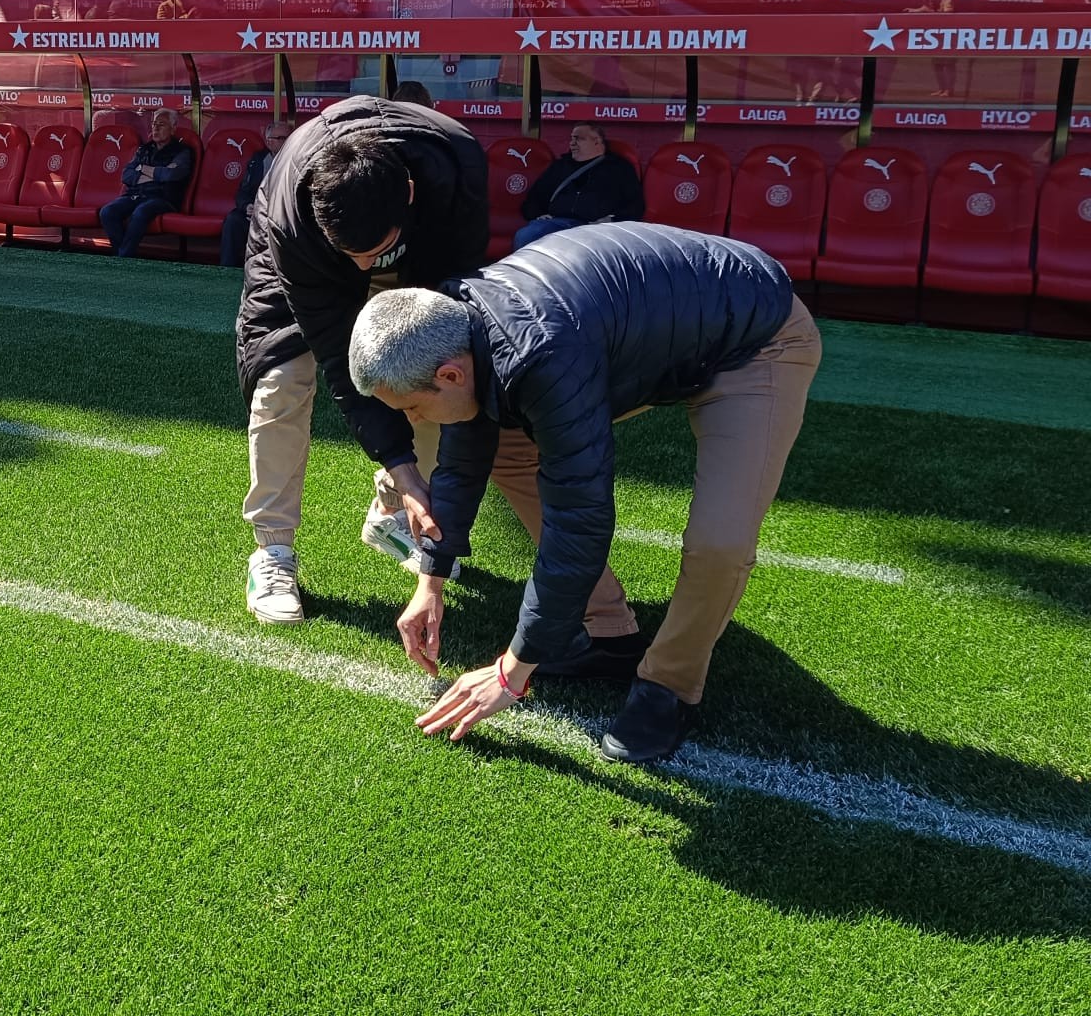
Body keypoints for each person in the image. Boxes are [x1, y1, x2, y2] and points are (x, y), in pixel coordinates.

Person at [348, 223, 821, 763]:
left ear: (452, 374)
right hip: (653, 336)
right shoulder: (462, 326)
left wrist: (513, 673)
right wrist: (430, 578)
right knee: (506, 449)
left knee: (721, 538)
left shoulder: (543, 355)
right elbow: (464, 452)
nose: (413, 422)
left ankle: (669, 684)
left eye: (411, 408)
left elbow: (581, 521)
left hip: (757, 339)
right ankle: (611, 635)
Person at [232, 95, 640, 662]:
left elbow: (452, 333)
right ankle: (273, 551)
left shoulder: (458, 168)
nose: (361, 273)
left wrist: (403, 471)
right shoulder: (293, 216)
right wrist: (396, 459)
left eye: (371, 254)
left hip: (423, 247)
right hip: (294, 258)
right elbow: (336, 357)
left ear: (409, 198)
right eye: (349, 256)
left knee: (428, 374)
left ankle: (394, 507)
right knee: (283, 379)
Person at [514, 122, 644, 249]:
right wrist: (538, 215)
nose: (572, 143)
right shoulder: (560, 167)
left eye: (578, 139)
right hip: (557, 223)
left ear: (597, 141)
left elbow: (635, 205)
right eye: (571, 139)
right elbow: (533, 199)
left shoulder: (619, 168)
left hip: (596, 227)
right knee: (527, 235)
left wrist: (612, 220)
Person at [97, 108, 194, 257]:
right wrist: (156, 173)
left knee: (141, 212)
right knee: (107, 212)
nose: (155, 128)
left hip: (162, 198)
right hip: (136, 194)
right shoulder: (144, 149)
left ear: (173, 129)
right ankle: (122, 255)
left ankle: (124, 256)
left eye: (161, 124)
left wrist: (142, 169)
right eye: (154, 124)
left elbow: (171, 174)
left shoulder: (182, 151)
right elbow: (126, 175)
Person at [220, 119, 290, 268]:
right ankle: (226, 270)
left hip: (282, 213)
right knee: (233, 220)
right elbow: (242, 192)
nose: (286, 141)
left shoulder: (296, 158)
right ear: (269, 141)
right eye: (281, 138)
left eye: (288, 137)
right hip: (256, 212)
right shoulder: (258, 160)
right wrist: (247, 206)